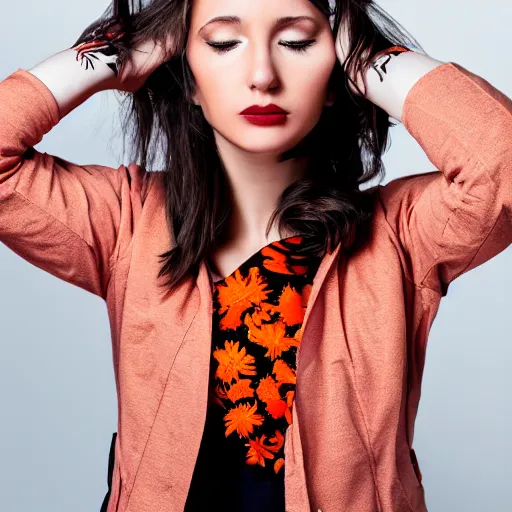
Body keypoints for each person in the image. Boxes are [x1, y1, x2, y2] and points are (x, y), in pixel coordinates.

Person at [0, 0, 510, 510]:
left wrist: (376, 60)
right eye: (224, 43)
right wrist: (112, 57)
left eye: (297, 43)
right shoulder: (126, 222)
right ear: (189, 80)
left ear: (336, 76)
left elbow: (500, 169)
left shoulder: (399, 234)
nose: (262, 75)